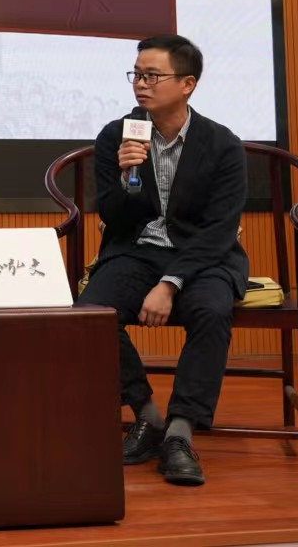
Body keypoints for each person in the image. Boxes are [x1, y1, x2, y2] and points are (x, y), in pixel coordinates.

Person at [77, 34, 248, 487]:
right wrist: (127, 177)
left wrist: (170, 283)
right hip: (136, 250)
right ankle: (148, 415)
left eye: (153, 76)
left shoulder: (222, 144)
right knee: (91, 314)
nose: (141, 84)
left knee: (212, 310)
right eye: (136, 75)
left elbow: (219, 231)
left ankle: (180, 432)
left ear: (187, 84)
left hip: (204, 257)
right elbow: (114, 218)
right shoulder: (117, 135)